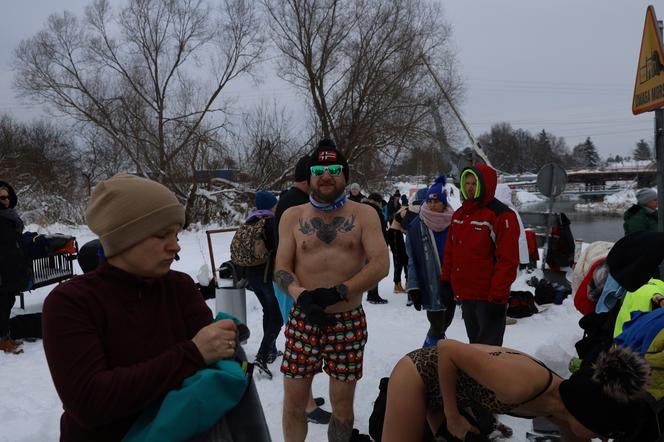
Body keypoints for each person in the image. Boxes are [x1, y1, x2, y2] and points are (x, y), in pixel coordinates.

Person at [42, 173, 239, 441]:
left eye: (176, 234)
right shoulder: (70, 302)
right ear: (124, 238)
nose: (176, 246)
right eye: (161, 235)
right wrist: (191, 353)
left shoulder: (179, 287)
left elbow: (213, 366)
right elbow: (89, 402)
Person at [274, 139, 389, 442]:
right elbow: (281, 268)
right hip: (304, 320)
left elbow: (380, 264)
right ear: (309, 176)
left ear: (345, 175)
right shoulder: (292, 216)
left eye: (334, 169)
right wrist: (301, 295)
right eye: (319, 169)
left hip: (347, 321)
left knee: (342, 407)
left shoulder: (365, 215)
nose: (327, 175)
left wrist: (342, 291)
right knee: (294, 404)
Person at [381, 340, 650, 442]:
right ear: (588, 416)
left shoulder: (564, 411)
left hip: (454, 388)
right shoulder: (521, 385)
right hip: (420, 372)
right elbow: (446, 349)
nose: (602, 440)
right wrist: (452, 416)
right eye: (603, 434)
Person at [273, 154, 332, 424]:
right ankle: (305, 406)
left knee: (303, 343)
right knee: (301, 345)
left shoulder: (287, 198)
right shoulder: (297, 204)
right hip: (292, 284)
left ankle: (304, 397)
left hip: (290, 282)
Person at [441, 164, 519, 346]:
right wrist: (445, 281)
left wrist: (498, 297)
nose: (469, 187)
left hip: (489, 297)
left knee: (489, 351)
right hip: (466, 294)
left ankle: (489, 375)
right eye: (466, 183)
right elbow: (450, 251)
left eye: (474, 183)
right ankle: (473, 375)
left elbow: (507, 260)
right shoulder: (459, 215)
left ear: (485, 185)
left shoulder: (501, 215)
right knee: (474, 345)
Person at [405, 176, 456, 348]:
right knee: (437, 326)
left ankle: (435, 352)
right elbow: (411, 259)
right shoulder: (416, 226)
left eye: (437, 201)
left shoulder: (454, 222)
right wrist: (413, 286)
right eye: (430, 201)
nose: (433, 204)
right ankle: (428, 356)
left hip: (450, 283)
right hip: (431, 284)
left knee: (445, 322)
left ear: (444, 202)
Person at [243, 190, 282, 377]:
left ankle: (271, 350)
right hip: (267, 276)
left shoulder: (250, 221)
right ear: (271, 205)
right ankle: (262, 355)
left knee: (269, 312)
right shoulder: (270, 222)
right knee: (278, 318)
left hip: (253, 277)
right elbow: (278, 248)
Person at [0, 181, 29, 354]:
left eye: (5, 197)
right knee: (2, 306)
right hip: (2, 274)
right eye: (0, 197)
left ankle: (5, 337)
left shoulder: (9, 217)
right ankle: (2, 340)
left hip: (11, 272)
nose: (4, 200)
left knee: (7, 304)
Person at [362, 192, 390, 304]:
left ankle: (371, 293)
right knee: (374, 269)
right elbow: (378, 229)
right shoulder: (374, 211)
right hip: (373, 245)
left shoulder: (365, 209)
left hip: (366, 245)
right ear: (378, 202)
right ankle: (372, 295)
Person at [387, 195, 409, 294]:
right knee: (398, 260)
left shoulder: (403, 208)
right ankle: (397, 285)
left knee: (404, 258)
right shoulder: (406, 209)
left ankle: (405, 282)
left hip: (397, 234)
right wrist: (406, 231)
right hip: (394, 234)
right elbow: (400, 222)